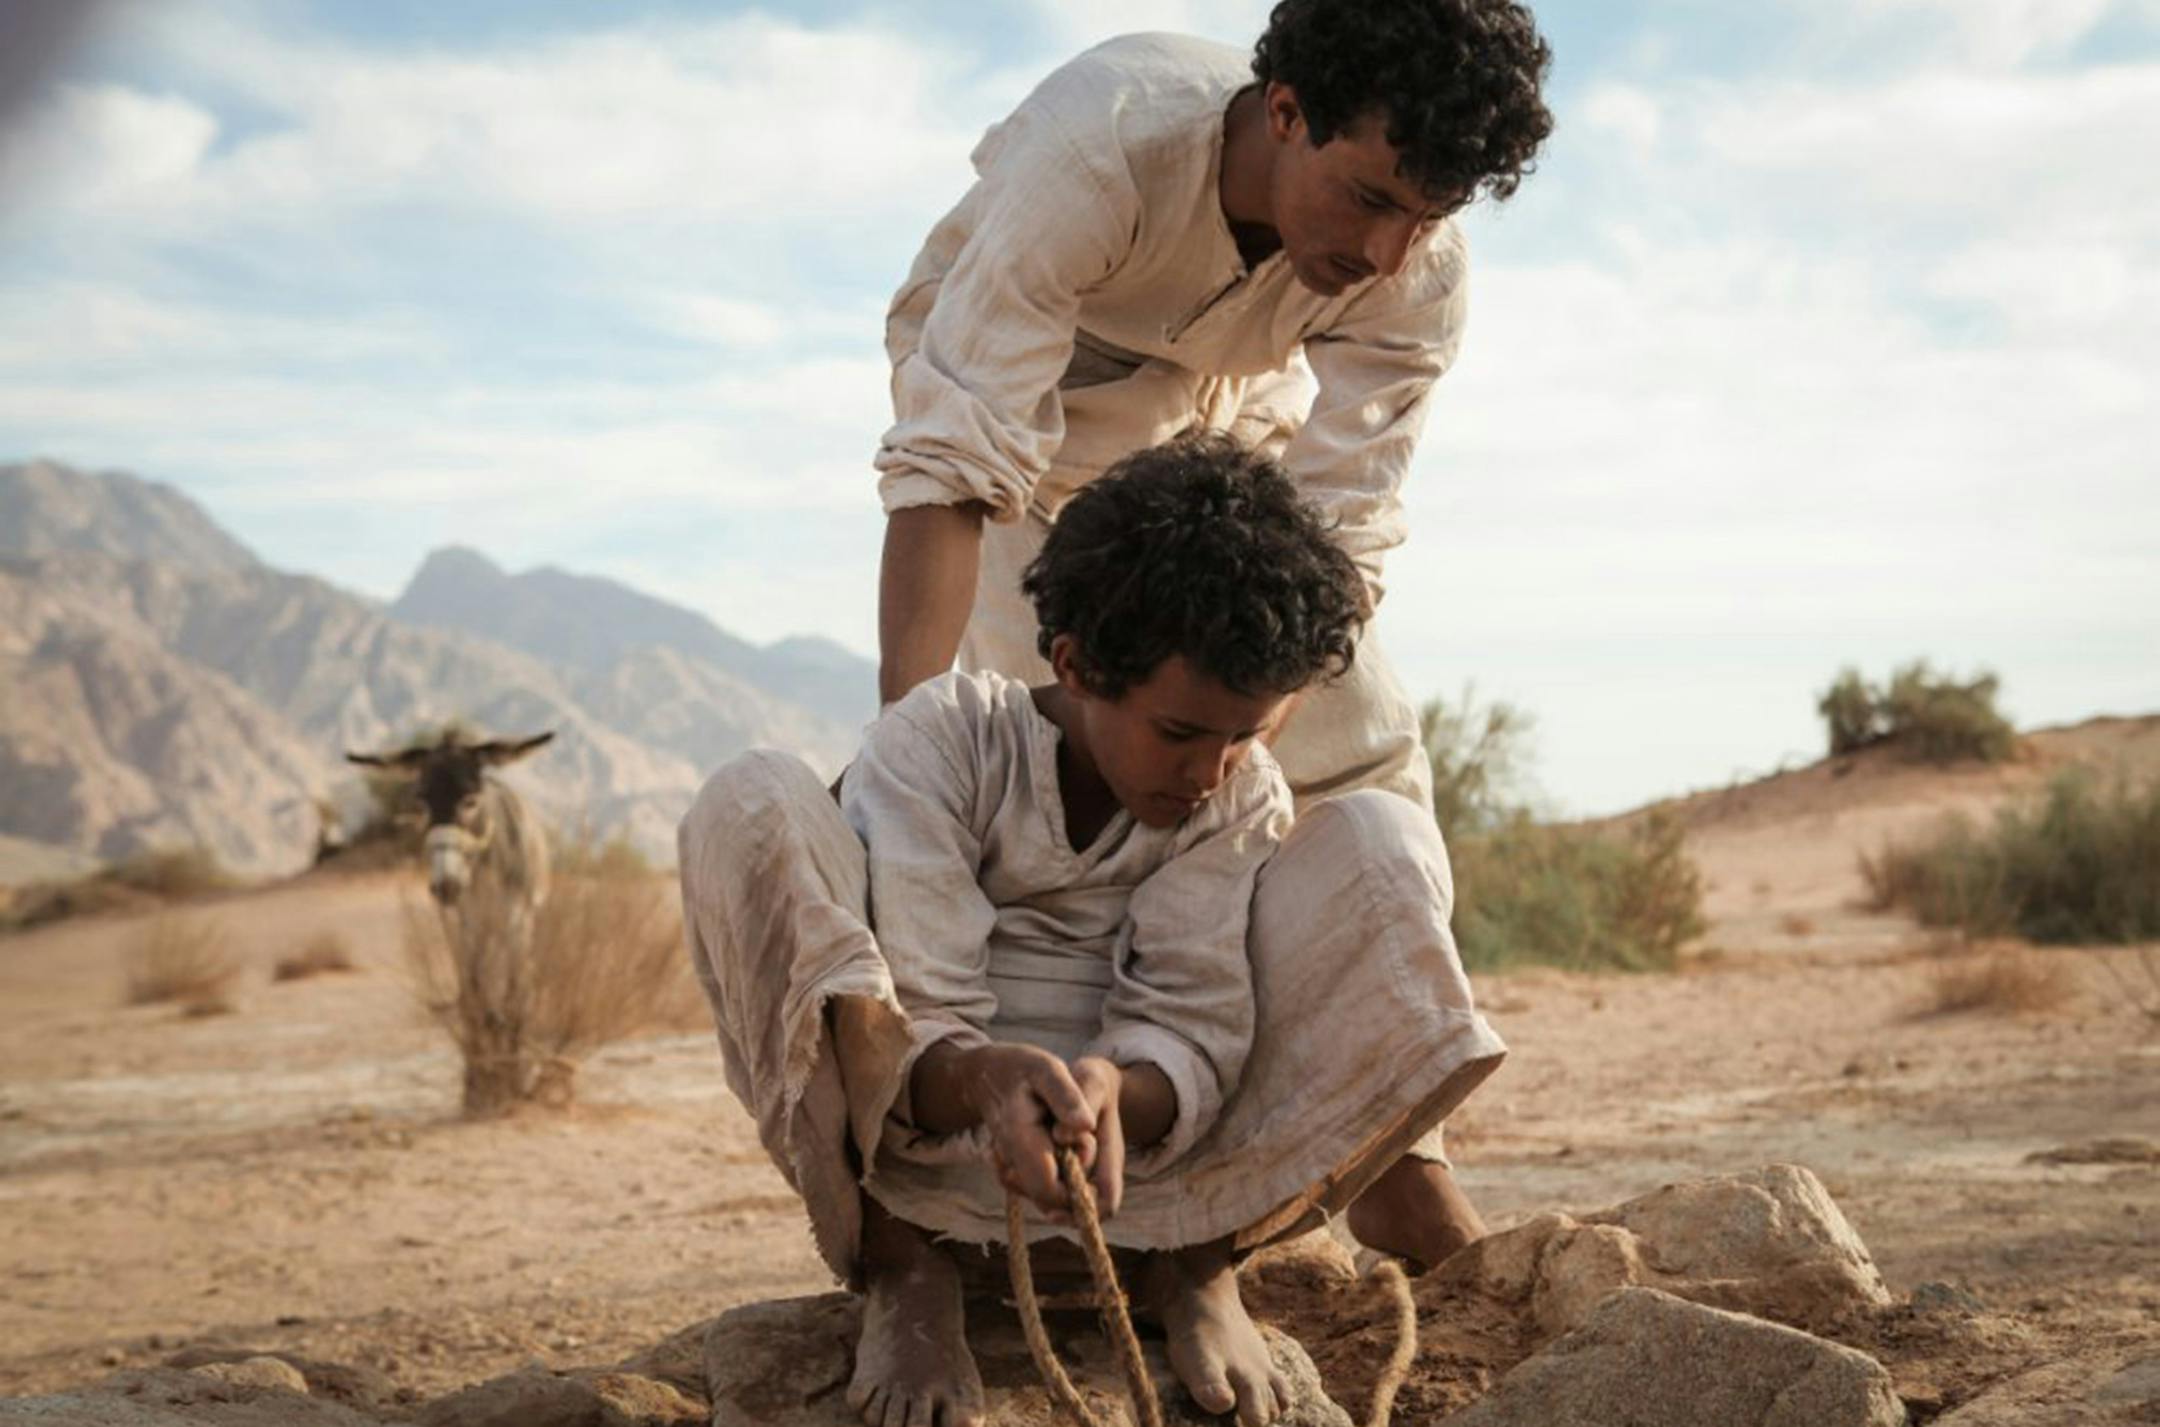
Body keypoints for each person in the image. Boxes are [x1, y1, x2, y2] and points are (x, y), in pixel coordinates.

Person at [870, 0, 1551, 1276]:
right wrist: (916, 737)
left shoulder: (1416, 267)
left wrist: (1246, 738)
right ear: (1283, 109)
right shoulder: (1099, 150)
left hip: (1222, 450)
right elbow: (951, 465)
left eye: (1429, 215)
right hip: (1028, 465)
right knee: (1045, 786)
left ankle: (1398, 1164)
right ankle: (993, 1189)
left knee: (1368, 751)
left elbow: (1341, 538)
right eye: (1366, 198)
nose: (1391, 247)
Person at [681, 436, 1504, 1427]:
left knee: (1384, 835)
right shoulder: (940, 741)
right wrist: (989, 1078)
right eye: (1181, 732)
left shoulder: (1235, 794)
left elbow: (1195, 1013)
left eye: (1247, 734)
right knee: (751, 796)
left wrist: (1121, 1088)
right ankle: (906, 1268)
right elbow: (916, 1003)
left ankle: (1195, 1268)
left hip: (1155, 1172)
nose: (1211, 770)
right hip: (936, 1139)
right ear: (1073, 663)